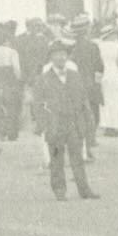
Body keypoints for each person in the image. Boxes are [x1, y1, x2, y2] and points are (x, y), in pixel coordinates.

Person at [38, 44, 99, 200]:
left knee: (77, 158)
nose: (61, 57)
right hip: (55, 123)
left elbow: (83, 99)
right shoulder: (43, 79)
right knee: (56, 159)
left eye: (64, 54)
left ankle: (84, 190)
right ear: (51, 58)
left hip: (74, 122)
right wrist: (43, 124)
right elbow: (38, 104)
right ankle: (59, 191)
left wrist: (87, 120)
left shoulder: (75, 75)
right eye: (57, 54)